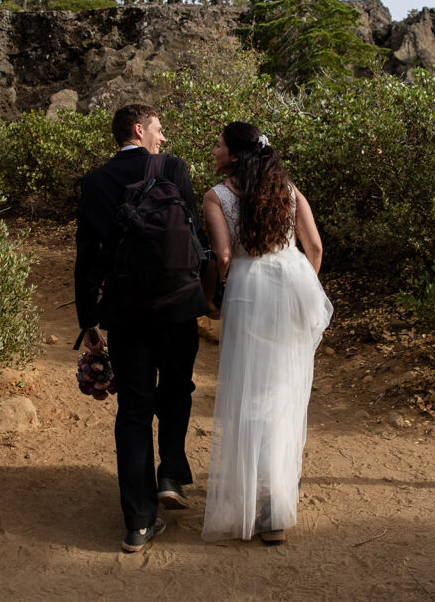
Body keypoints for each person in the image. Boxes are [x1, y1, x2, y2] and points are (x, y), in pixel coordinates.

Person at [74, 103, 209, 553]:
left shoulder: (93, 182)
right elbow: (194, 238)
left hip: (125, 310)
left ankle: (138, 522)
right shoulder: (173, 168)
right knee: (177, 386)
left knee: (133, 409)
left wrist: (87, 319)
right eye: (159, 127)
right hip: (178, 304)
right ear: (139, 128)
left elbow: (87, 255)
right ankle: (170, 471)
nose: (163, 137)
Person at [200, 121, 333, 544]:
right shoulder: (289, 190)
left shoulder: (217, 196)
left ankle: (256, 499)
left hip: (249, 291)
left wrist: (215, 296)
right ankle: (276, 507)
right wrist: (300, 289)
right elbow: (314, 248)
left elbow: (223, 255)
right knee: (282, 392)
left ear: (236, 154)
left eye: (219, 144)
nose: (215, 149)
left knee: (250, 394)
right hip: (291, 285)